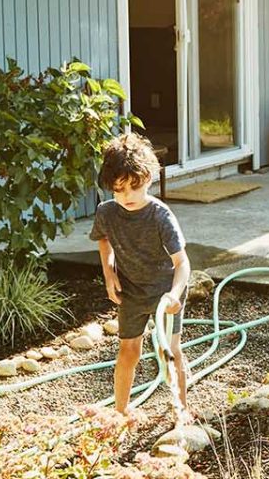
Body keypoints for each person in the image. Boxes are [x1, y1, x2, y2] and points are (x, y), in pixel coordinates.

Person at [92, 132, 193, 421]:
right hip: (132, 291)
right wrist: (109, 273)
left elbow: (183, 263)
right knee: (128, 350)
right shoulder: (107, 213)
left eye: (135, 188)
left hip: (165, 291)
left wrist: (174, 294)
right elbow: (103, 239)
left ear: (148, 179)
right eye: (119, 189)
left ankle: (181, 409)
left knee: (169, 349)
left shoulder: (160, 216)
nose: (128, 197)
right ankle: (120, 412)